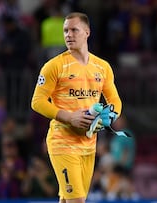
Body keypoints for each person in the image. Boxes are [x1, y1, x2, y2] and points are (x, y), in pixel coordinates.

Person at [30, 12, 122, 203]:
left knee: (69, 199)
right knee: (77, 200)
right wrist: (69, 117)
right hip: (62, 142)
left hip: (88, 145)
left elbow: (115, 101)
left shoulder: (102, 67)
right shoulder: (54, 66)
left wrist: (107, 119)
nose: (68, 35)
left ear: (87, 32)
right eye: (65, 30)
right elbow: (37, 101)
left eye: (74, 30)